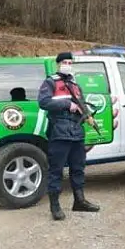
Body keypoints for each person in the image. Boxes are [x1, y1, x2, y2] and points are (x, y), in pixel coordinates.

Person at [38, 52, 100, 220]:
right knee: (56, 170)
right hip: (59, 131)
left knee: (78, 167)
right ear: (58, 64)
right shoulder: (50, 82)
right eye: (64, 62)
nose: (67, 64)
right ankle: (55, 206)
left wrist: (88, 116)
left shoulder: (75, 84)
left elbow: (81, 103)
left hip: (77, 131)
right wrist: (67, 104)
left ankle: (79, 201)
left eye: (70, 62)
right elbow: (43, 102)